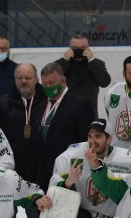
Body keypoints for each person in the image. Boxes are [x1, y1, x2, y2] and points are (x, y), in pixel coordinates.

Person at [0, 62, 47, 218]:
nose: (24, 81)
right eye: (20, 78)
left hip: (37, 171)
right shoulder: (3, 103)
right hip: (10, 173)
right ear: (15, 80)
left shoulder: (46, 101)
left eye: (28, 77)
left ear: (36, 79)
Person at [32, 61, 95, 190]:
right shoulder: (39, 107)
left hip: (67, 174)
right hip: (42, 176)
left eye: (52, 83)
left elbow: (86, 141)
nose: (48, 87)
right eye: (45, 84)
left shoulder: (80, 104)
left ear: (63, 81)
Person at [56, 34, 110, 116]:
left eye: (82, 48)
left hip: (89, 113)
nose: (78, 50)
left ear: (88, 48)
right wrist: (64, 60)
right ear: (69, 48)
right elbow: (53, 78)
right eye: (74, 48)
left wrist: (92, 60)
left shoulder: (97, 64)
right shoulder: (60, 64)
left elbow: (105, 82)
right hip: (65, 113)